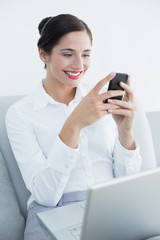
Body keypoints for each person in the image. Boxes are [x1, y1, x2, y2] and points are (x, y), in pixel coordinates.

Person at [5, 14, 142, 240]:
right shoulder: (21, 114)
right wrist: (75, 123)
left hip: (110, 205)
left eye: (85, 54)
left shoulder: (100, 97)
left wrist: (125, 133)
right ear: (43, 54)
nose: (79, 65)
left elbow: (127, 183)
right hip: (53, 211)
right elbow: (46, 196)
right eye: (68, 54)